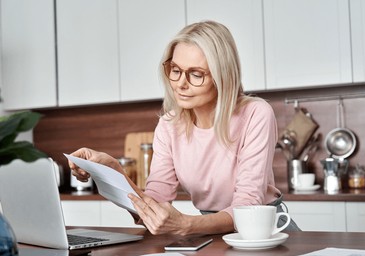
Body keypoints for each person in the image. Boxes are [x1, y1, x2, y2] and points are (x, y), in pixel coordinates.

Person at [69, 20, 300, 236]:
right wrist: (113, 171)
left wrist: (187, 225)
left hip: (264, 229)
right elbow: (154, 206)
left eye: (196, 74)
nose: (180, 83)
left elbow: (247, 206)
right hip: (210, 231)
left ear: (223, 77)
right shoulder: (170, 124)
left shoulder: (255, 114)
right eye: (176, 70)